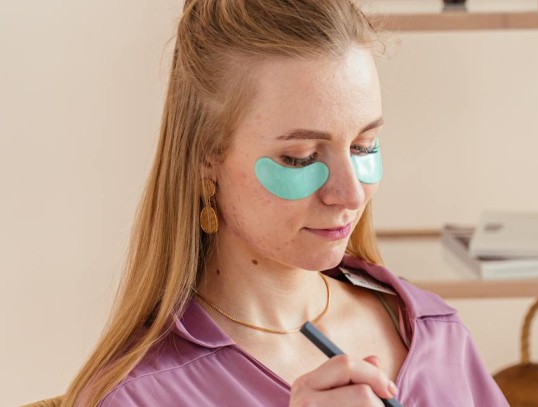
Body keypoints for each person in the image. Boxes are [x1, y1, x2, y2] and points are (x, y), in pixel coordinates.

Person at [63, 0, 509, 406]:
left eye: (364, 146)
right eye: (300, 158)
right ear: (205, 158)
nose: (351, 193)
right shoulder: (139, 396)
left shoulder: (434, 332)